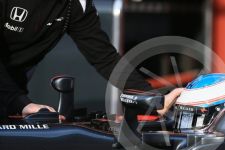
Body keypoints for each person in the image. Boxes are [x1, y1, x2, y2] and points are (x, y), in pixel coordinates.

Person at [0, 0, 182, 118]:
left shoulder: (76, 5)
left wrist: (155, 100)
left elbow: (104, 57)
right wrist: (18, 101)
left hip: (10, 98)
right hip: (11, 97)